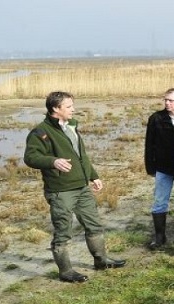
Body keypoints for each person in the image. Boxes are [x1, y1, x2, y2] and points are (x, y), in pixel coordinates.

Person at [24, 91, 126, 282]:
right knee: (63, 231)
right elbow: (30, 157)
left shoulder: (71, 126)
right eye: (69, 106)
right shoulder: (41, 132)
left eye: (72, 106)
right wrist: (53, 161)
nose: (73, 109)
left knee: (94, 224)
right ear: (56, 108)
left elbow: (82, 156)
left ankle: (101, 260)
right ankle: (65, 271)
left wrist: (93, 176)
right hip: (60, 191)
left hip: (82, 187)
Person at [144, 88, 174, 250]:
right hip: (163, 168)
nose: (167, 103)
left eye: (171, 100)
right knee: (159, 201)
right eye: (165, 100)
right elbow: (149, 144)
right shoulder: (156, 118)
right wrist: (151, 167)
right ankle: (159, 236)